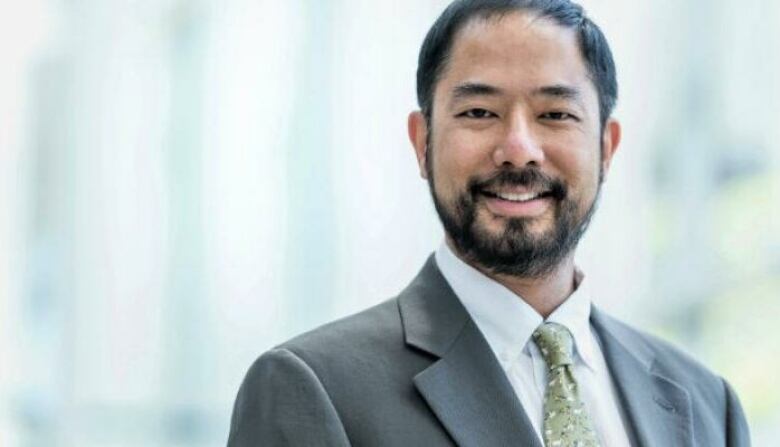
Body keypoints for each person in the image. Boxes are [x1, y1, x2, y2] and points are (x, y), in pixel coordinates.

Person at [227, 0, 751, 445]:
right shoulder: (313, 388)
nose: (518, 150)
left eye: (555, 114)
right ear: (422, 141)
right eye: (479, 112)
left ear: (606, 147)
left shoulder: (706, 404)